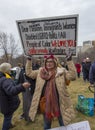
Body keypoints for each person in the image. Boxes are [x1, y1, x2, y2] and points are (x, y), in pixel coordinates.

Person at [25, 54, 76, 130]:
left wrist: (69, 61)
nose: (48, 63)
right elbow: (29, 73)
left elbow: (72, 76)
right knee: (46, 125)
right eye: (47, 62)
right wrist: (29, 60)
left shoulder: (61, 71)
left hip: (60, 102)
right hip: (45, 102)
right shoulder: (40, 72)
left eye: (51, 62)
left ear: (55, 62)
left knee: (64, 123)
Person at [0, 62, 30, 130]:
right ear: (6, 70)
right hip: (8, 104)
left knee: (8, 116)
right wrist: (22, 86)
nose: (11, 70)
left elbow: (10, 86)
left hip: (5, 103)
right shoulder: (5, 80)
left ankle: (9, 125)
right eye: (9, 69)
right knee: (7, 117)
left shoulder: (3, 77)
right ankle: (6, 127)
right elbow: (11, 91)